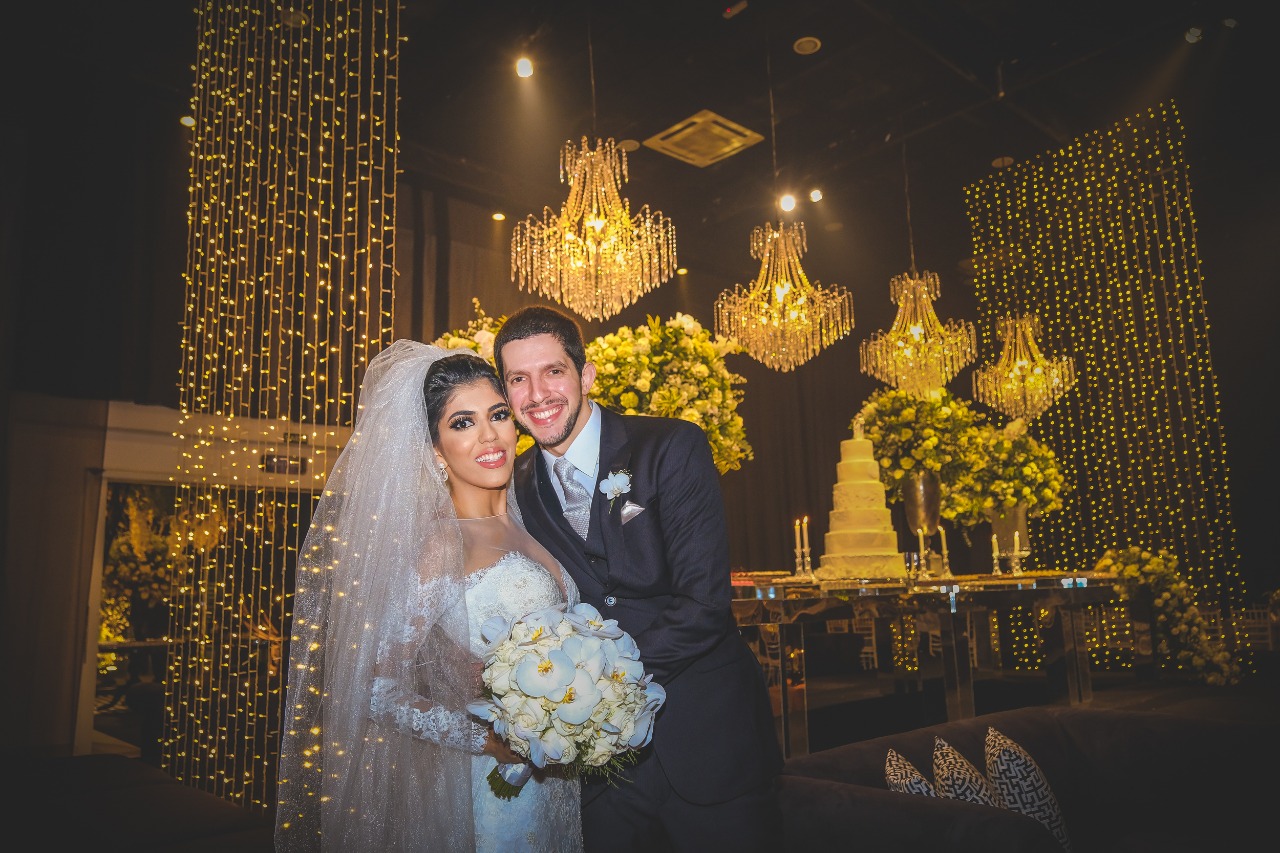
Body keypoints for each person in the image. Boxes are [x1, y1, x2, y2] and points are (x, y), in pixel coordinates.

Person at [494, 305, 784, 853]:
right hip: (601, 775)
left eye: (553, 371)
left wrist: (591, 688)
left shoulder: (672, 447)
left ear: (585, 375)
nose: (537, 394)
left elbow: (704, 604)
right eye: (518, 379)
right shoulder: (519, 485)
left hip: (707, 741)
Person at [274, 341, 584, 852]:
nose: (489, 436)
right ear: (435, 450)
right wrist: (487, 739)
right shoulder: (444, 545)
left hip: (555, 783)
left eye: (498, 414)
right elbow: (375, 689)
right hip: (492, 787)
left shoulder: (528, 524)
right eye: (462, 423)